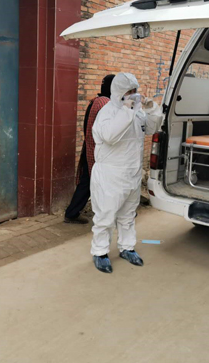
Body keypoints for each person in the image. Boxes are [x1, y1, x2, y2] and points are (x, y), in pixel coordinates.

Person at [90, 73, 162, 273]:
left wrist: (151, 109)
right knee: (105, 217)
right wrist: (127, 110)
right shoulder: (107, 112)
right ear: (118, 92)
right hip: (110, 175)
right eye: (128, 91)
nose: (132, 94)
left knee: (128, 215)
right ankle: (100, 252)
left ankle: (127, 248)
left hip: (132, 173)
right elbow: (110, 136)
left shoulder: (136, 112)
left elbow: (152, 127)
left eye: (134, 90)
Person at [64, 74, 115, 224]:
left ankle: (72, 213)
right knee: (106, 184)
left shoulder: (96, 101)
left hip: (90, 149)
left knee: (86, 183)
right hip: (100, 152)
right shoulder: (106, 104)